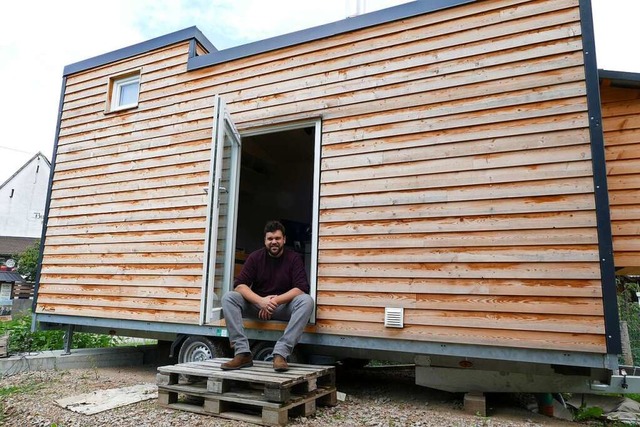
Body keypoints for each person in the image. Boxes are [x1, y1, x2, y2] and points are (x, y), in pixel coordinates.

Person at [221, 220, 314, 372]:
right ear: (265, 241)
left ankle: (280, 354)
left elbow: (300, 288)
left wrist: (274, 301)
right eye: (270, 239)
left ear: (284, 239)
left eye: (277, 238)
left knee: (306, 301)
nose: (274, 242)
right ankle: (242, 353)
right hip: (258, 307)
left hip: (283, 307)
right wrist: (261, 301)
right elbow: (240, 285)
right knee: (229, 297)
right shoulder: (255, 257)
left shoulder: (294, 258)